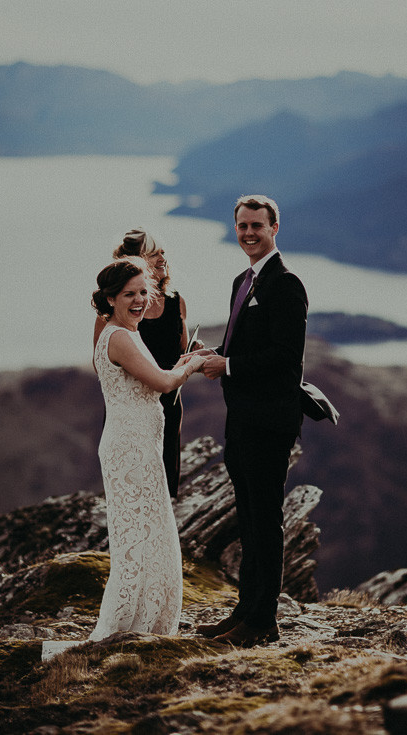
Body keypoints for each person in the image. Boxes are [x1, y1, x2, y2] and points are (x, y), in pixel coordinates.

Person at [197, 195, 308, 648]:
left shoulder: (286, 284)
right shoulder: (242, 280)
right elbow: (241, 348)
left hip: (270, 423)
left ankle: (264, 620)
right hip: (241, 420)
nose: (247, 233)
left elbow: (286, 359)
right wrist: (216, 357)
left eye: (256, 226)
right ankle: (244, 610)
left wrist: (229, 367)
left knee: (266, 521)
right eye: (241, 225)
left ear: (275, 227)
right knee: (248, 520)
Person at [88, 257, 204, 641]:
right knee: (138, 537)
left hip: (140, 446)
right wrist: (192, 365)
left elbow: (156, 381)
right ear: (110, 298)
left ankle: (146, 622)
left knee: (148, 534)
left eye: (143, 292)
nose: (139, 300)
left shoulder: (125, 332)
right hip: (131, 449)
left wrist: (181, 364)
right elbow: (163, 383)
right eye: (129, 294)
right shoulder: (119, 336)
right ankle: (129, 624)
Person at [93, 229, 194, 498]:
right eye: (153, 253)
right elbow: (102, 364)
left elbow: (181, 348)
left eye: (162, 251)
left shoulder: (175, 302)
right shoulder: (113, 314)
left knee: (165, 484)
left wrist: (194, 354)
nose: (162, 257)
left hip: (169, 406)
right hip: (132, 412)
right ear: (134, 262)